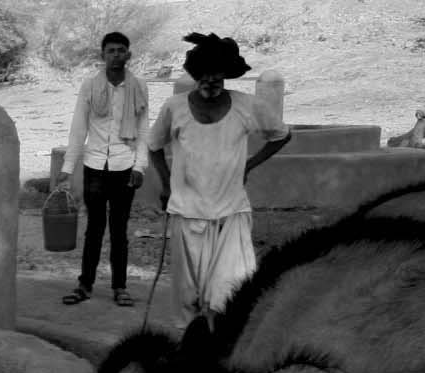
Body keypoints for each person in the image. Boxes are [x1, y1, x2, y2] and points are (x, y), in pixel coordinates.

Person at [147, 32, 291, 329]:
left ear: (226, 75)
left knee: (231, 289)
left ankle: (222, 349)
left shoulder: (248, 106)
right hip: (186, 214)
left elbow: (281, 135)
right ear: (195, 75)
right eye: (204, 75)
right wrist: (165, 183)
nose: (210, 81)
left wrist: (250, 164)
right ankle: (191, 351)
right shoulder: (174, 107)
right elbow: (154, 146)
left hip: (231, 213)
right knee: (189, 297)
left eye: (217, 75)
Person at [58, 31, 149, 308]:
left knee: (119, 230)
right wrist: (67, 167)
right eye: (111, 50)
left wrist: (140, 166)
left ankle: (120, 287)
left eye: (121, 50)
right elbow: (79, 128)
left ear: (128, 55)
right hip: (95, 165)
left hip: (124, 165)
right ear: (102, 55)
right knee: (94, 228)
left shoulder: (139, 86)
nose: (116, 55)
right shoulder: (89, 86)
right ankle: (84, 285)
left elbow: (144, 129)